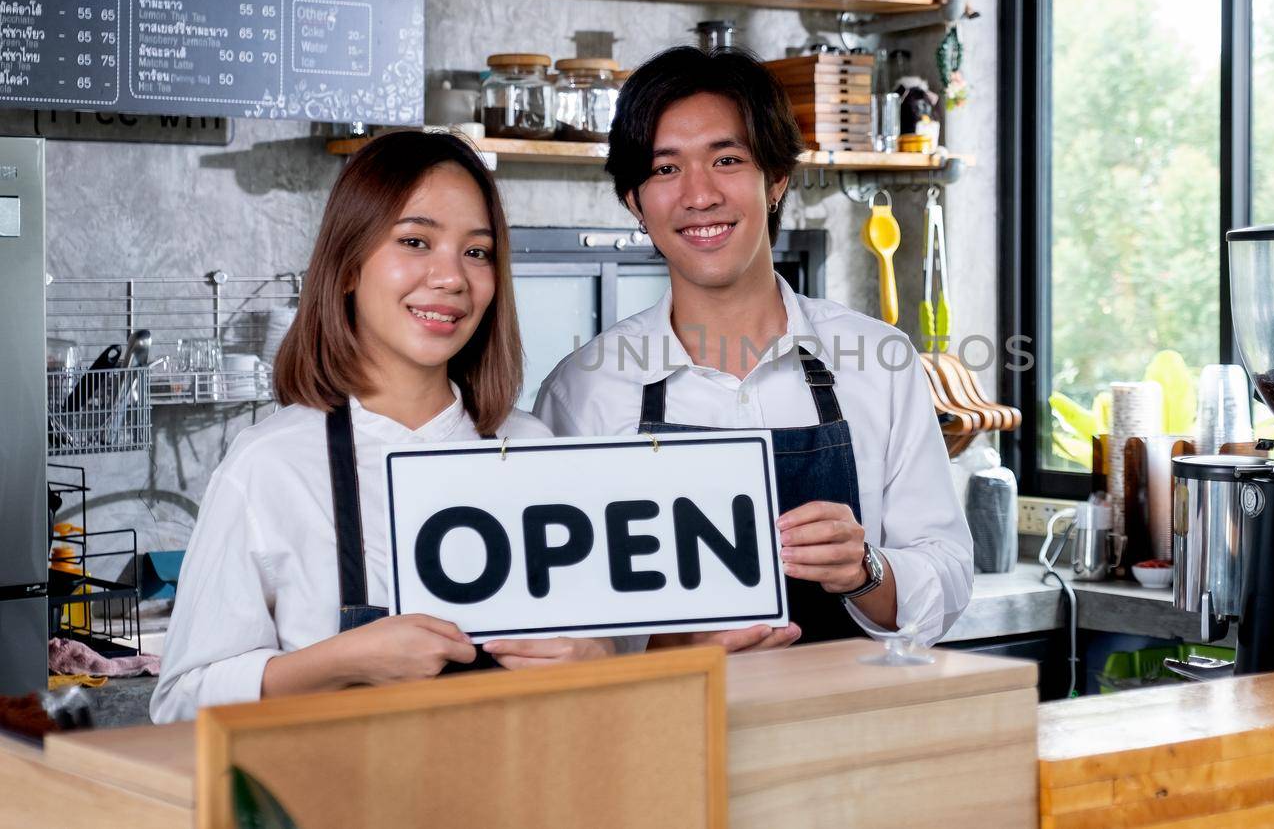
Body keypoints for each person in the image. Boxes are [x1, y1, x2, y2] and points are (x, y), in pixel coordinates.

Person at [152, 132, 610, 724]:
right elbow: (180, 703)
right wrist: (341, 661)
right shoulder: (269, 464)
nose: (451, 278)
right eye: (415, 241)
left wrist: (597, 659)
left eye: (477, 252)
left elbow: (593, 675)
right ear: (347, 268)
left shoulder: (530, 449)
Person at [535, 47, 974, 654]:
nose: (699, 194)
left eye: (727, 158)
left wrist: (865, 569)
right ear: (635, 203)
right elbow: (561, 630)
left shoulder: (879, 359)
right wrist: (676, 651)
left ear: (776, 179)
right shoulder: (583, 390)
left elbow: (949, 575)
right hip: (662, 736)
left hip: (844, 729)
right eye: (665, 170)